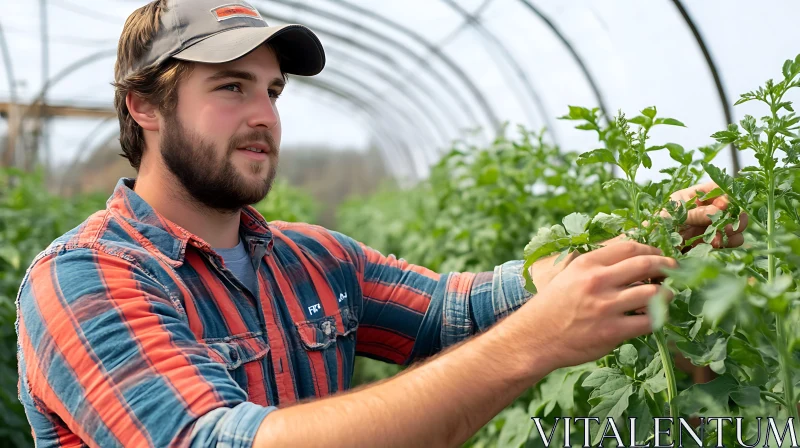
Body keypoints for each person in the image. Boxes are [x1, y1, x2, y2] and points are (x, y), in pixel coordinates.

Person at [14, 1, 748, 447]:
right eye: (230, 88)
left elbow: (466, 305)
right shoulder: (84, 280)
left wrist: (655, 233)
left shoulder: (313, 260)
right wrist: (533, 346)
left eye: (272, 89)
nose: (264, 113)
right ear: (144, 105)